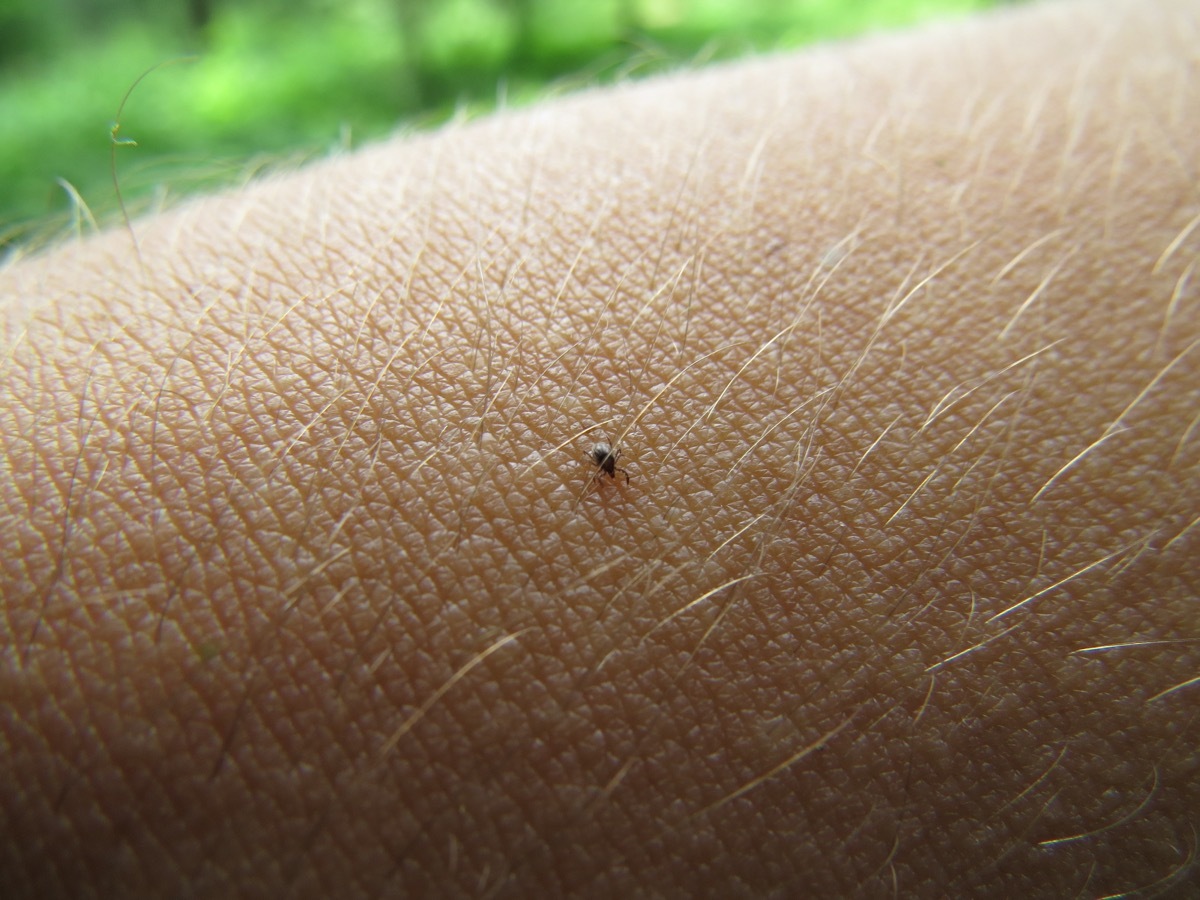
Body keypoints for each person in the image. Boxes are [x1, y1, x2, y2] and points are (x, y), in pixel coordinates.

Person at [2, 0, 1197, 895]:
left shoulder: (611, 459)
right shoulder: (601, 460)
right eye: (608, 464)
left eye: (606, 464)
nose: (607, 472)